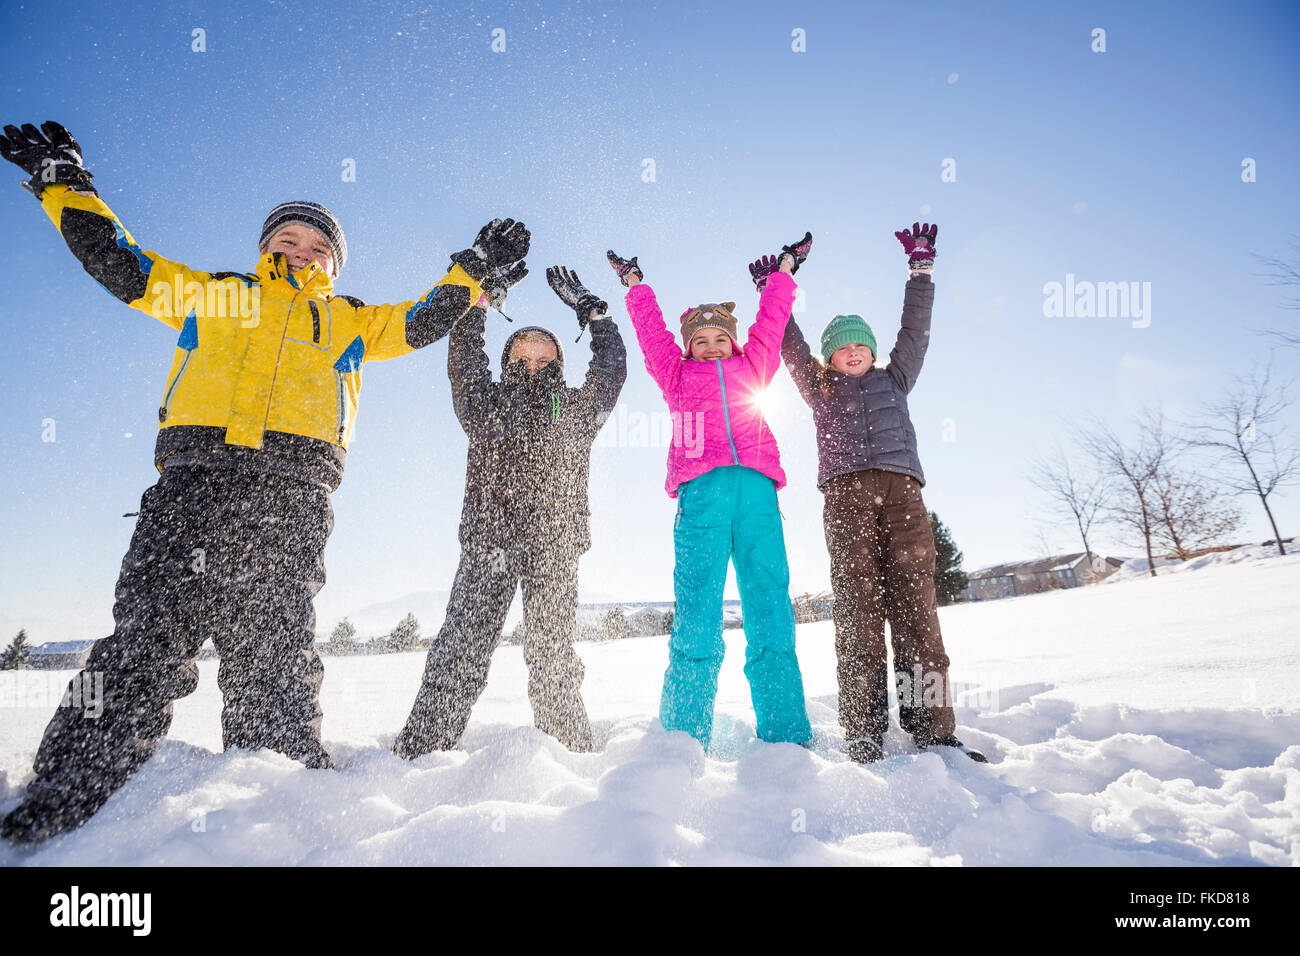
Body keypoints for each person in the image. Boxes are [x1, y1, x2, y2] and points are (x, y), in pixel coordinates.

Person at [0, 120, 531, 842]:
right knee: (144, 639)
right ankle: (65, 787)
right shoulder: (216, 296)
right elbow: (119, 263)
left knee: (274, 648)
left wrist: (472, 270)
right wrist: (65, 184)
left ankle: (280, 805)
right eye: (289, 239)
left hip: (290, 495)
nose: (302, 252)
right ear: (265, 245)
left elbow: (422, 318)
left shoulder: (347, 321)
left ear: (334, 265)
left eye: (319, 247)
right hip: (193, 484)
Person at [393, 265, 626, 756]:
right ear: (507, 361)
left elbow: (611, 370)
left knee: (553, 658)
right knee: (461, 651)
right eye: (524, 354)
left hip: (555, 545)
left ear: (560, 362)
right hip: (489, 541)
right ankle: (420, 754)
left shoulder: (577, 411)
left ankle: (570, 755)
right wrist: (479, 302)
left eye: (546, 356)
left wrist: (595, 313)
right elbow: (464, 360)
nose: (535, 363)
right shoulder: (484, 405)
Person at [779, 222, 986, 764]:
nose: (852, 351)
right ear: (829, 358)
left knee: (919, 613)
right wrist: (774, 286)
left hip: (903, 500)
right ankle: (864, 730)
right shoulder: (819, 390)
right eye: (840, 347)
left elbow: (914, 330)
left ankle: (933, 728)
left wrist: (921, 271)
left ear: (873, 351)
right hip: (845, 502)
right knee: (858, 615)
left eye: (860, 344)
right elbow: (790, 344)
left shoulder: (896, 379)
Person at [608, 236, 813, 751]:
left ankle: (786, 736)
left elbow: (771, 321)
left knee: (770, 608)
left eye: (720, 338)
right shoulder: (675, 376)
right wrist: (636, 285)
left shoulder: (755, 366)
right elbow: (653, 336)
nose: (712, 345)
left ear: (733, 341)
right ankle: (682, 737)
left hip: (758, 495)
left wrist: (785, 271)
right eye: (701, 340)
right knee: (697, 613)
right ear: (689, 347)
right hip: (701, 498)